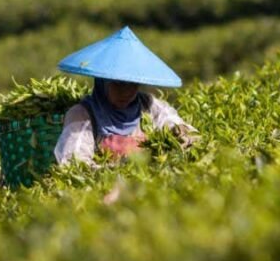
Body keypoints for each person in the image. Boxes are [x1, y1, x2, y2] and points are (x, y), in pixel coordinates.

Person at [53, 26, 196, 165]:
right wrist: (121, 168)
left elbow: (177, 126)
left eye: (132, 84)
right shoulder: (82, 114)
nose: (126, 92)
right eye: (118, 84)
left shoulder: (149, 106)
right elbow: (74, 163)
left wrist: (182, 137)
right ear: (103, 82)